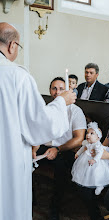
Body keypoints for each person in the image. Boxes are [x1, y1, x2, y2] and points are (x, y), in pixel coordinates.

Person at [0, 22, 76, 220]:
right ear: (12, 46)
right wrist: (62, 102)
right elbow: (40, 124)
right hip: (8, 159)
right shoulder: (17, 76)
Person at [32, 77, 87, 220]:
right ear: (50, 91)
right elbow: (38, 132)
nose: (57, 92)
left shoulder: (75, 111)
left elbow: (79, 138)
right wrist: (34, 147)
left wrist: (58, 149)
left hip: (65, 150)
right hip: (45, 146)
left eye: (61, 89)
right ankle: (30, 199)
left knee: (60, 167)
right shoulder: (47, 109)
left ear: (68, 90)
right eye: (54, 88)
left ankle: (54, 208)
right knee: (25, 158)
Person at [71, 122, 109, 196]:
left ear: (98, 137)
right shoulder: (87, 143)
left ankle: (100, 185)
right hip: (87, 159)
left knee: (97, 173)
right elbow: (83, 148)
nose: (88, 135)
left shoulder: (98, 145)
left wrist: (95, 160)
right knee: (85, 171)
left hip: (98, 162)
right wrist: (78, 153)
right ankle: (84, 180)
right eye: (87, 133)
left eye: (92, 133)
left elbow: (99, 153)